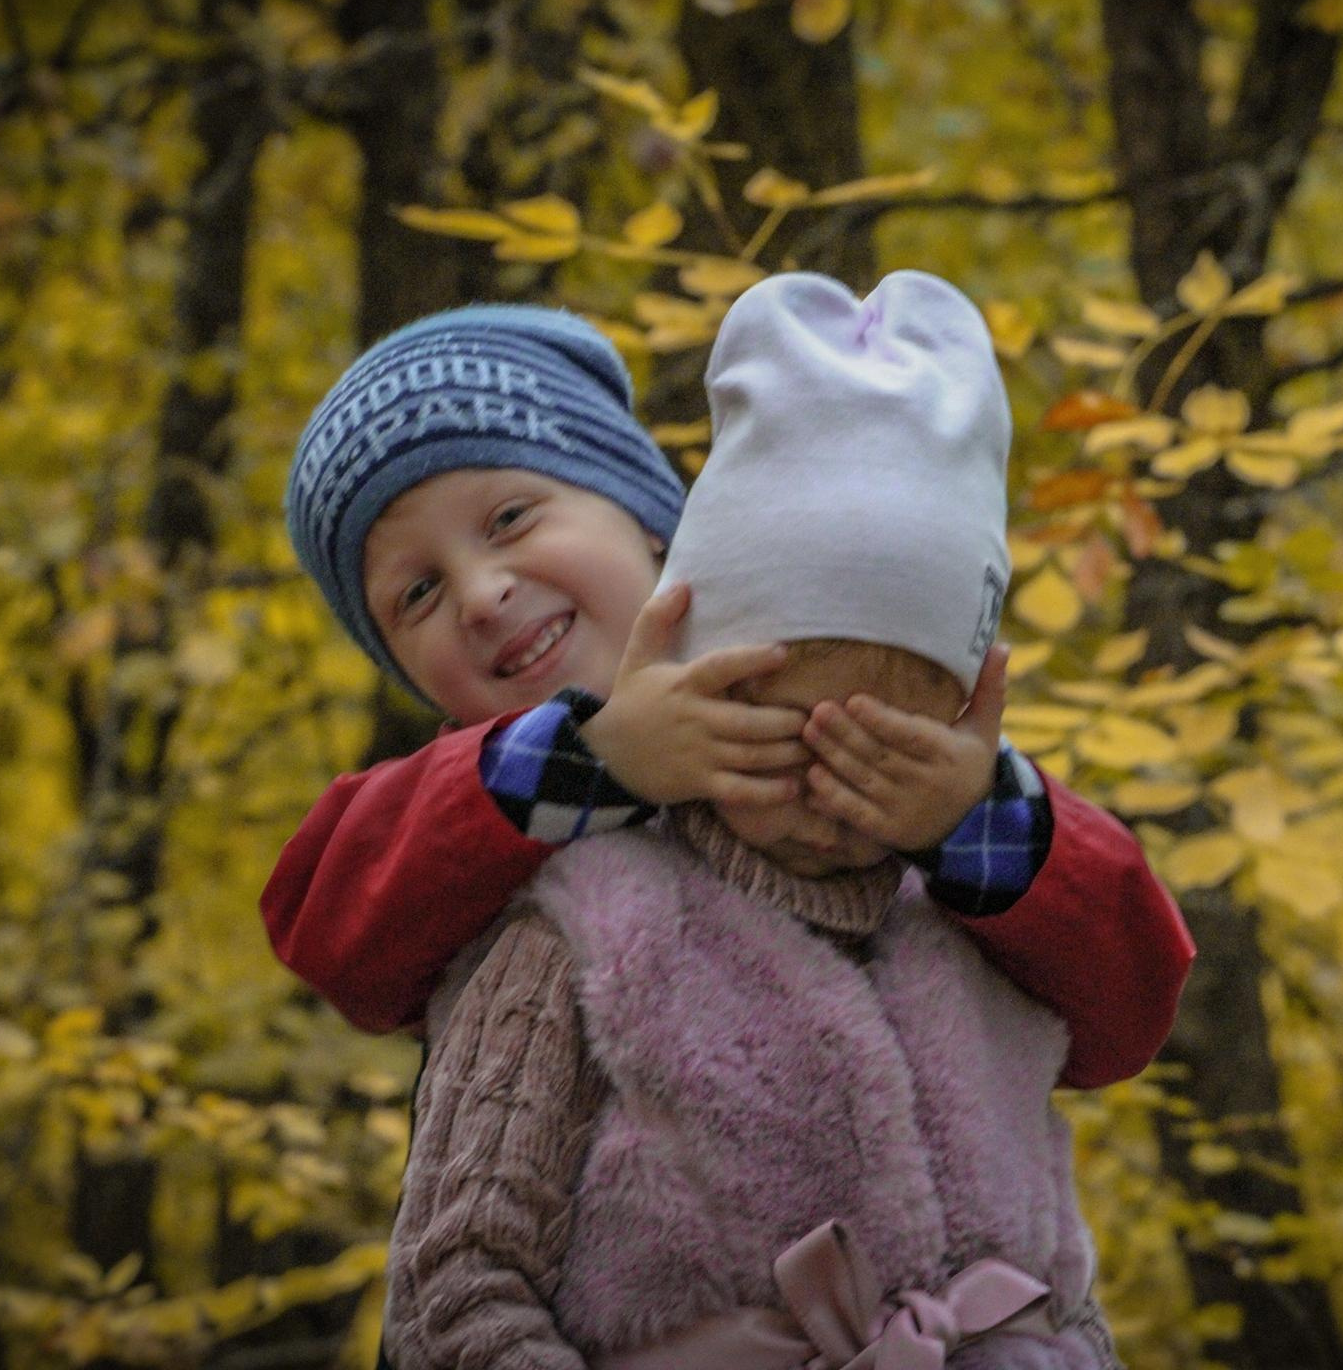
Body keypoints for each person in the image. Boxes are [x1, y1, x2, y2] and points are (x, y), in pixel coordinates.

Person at [384, 270, 1125, 1367]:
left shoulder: (976, 926)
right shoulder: (584, 922)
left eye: (886, 744)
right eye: (772, 729)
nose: (828, 784)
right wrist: (601, 757)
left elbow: (1066, 1280)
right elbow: (454, 1289)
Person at [265, 298, 1194, 1094]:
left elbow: (1128, 1012)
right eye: (416, 594)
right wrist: (594, 761)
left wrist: (968, 817)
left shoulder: (834, 705)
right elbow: (329, 931)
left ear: (647, 517)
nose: (479, 594)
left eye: (511, 519)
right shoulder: (469, 812)